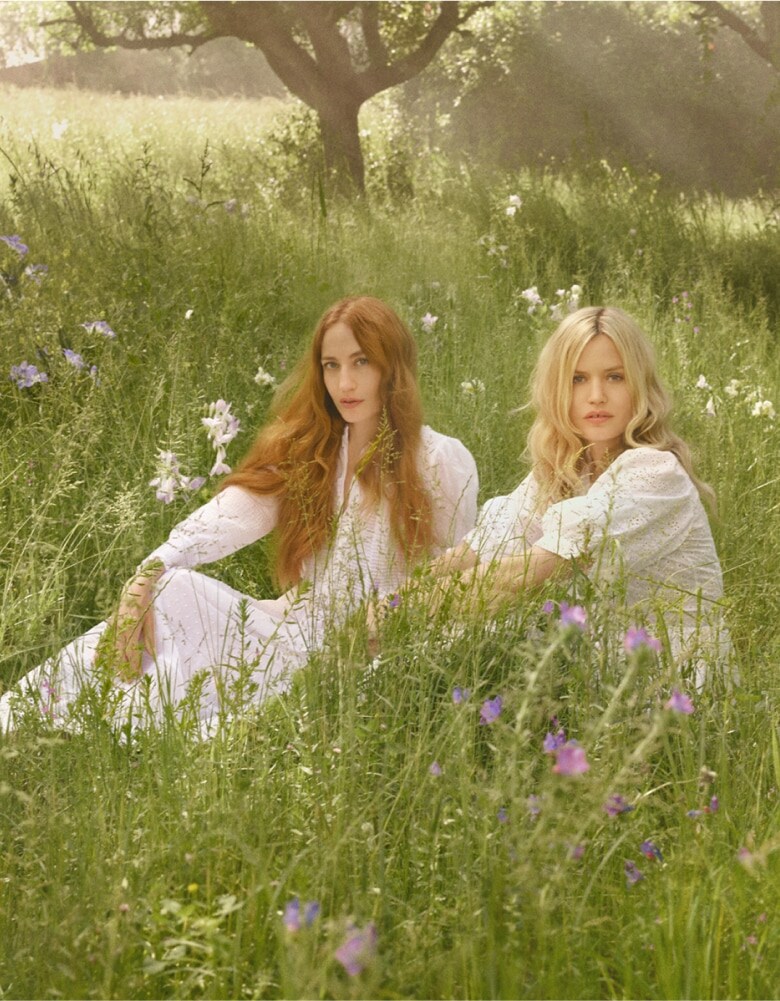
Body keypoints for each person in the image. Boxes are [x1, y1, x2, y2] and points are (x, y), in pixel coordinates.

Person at [0, 296, 478, 733]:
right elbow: (230, 516)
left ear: (394, 366)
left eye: (362, 362)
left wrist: (387, 629)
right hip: (295, 630)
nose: (345, 384)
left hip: (368, 650)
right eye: (331, 366)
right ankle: (42, 712)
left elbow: (459, 574)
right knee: (171, 589)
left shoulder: (439, 459)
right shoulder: (314, 449)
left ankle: (114, 718)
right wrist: (144, 577)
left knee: (185, 642)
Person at [392, 305, 729, 681]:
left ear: (640, 385)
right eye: (578, 379)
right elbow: (478, 550)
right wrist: (393, 602)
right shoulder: (567, 471)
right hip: (599, 680)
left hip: (672, 691)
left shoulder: (655, 473)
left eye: (615, 377)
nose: (596, 395)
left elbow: (532, 571)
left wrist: (405, 613)